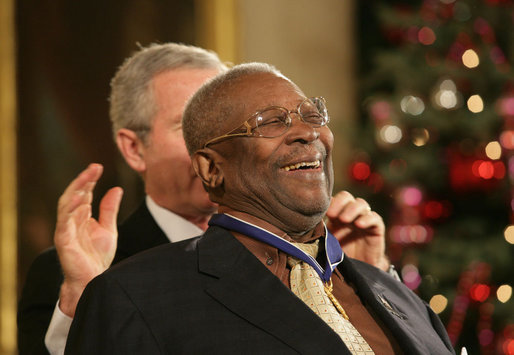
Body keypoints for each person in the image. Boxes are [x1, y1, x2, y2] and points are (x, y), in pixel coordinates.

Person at [17, 44, 390, 354]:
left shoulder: (330, 254)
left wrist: (366, 283)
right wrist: (86, 304)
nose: (222, 140)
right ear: (134, 149)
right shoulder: (96, 277)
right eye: (190, 125)